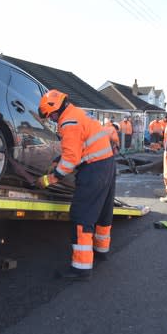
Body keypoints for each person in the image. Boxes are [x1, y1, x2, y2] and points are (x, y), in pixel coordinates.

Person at [36, 89, 116, 280]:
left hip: (93, 169)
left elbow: (71, 159)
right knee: (104, 211)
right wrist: (58, 158)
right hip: (107, 164)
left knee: (81, 216)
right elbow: (81, 144)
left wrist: (50, 179)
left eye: (51, 117)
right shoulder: (77, 113)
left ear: (55, 111)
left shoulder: (68, 122)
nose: (53, 121)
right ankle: (101, 251)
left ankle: (81, 267)